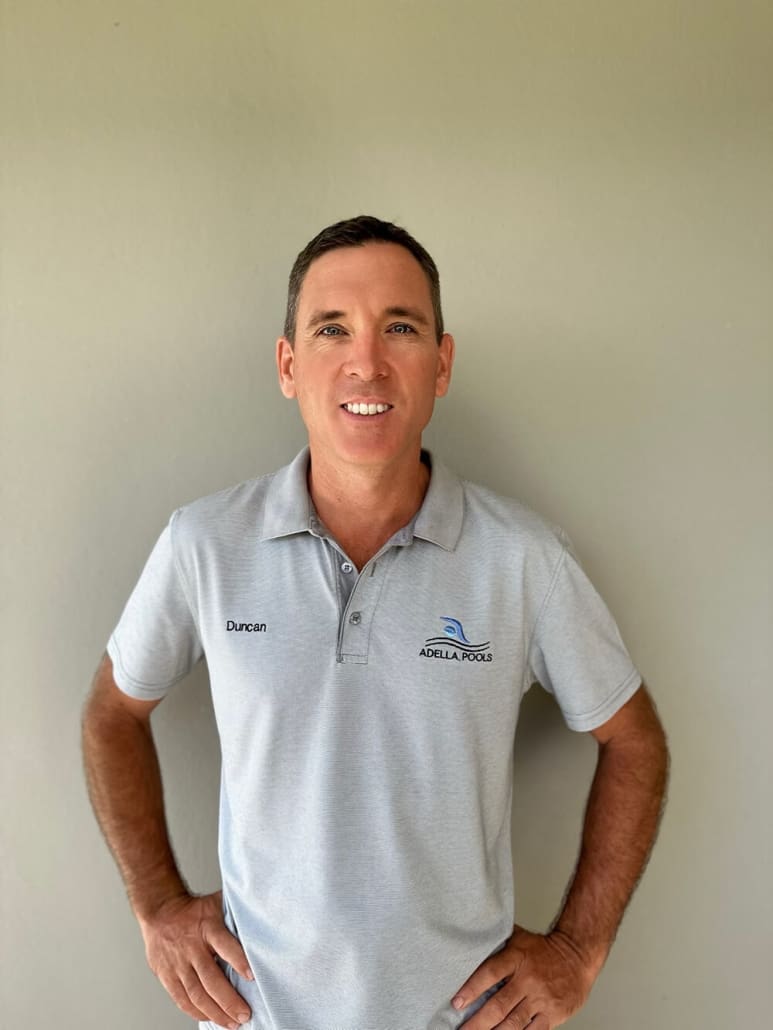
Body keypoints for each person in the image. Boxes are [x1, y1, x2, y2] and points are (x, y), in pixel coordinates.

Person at [82, 215, 668, 1030]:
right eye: (332, 329)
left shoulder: (522, 558)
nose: (367, 360)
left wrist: (576, 950)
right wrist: (158, 907)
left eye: (401, 327)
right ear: (288, 365)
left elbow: (633, 738)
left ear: (441, 363)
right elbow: (113, 713)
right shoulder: (203, 545)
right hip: (258, 1017)